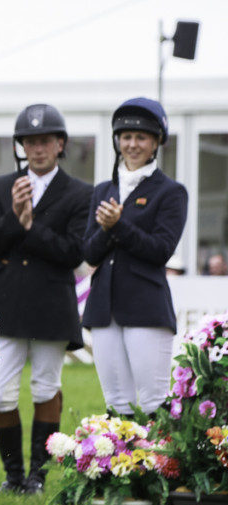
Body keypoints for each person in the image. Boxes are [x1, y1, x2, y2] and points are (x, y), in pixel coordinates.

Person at [0, 104, 91, 494]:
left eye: (44, 141)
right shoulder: (0, 185)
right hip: (8, 301)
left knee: (45, 387)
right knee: (0, 391)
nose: (37, 148)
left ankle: (38, 476)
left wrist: (30, 227)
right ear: (20, 146)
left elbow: (74, 252)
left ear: (60, 144)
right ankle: (12, 474)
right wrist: (14, 217)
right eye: (29, 141)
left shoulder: (79, 193)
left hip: (51, 303)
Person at [82, 97, 187, 416]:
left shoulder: (170, 192)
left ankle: (160, 467)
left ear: (156, 143)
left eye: (141, 137)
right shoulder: (102, 190)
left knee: (153, 401)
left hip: (146, 306)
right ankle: (121, 467)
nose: (132, 144)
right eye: (126, 137)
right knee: (117, 402)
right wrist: (107, 229)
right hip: (104, 307)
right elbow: (89, 251)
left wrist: (118, 225)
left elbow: (160, 250)